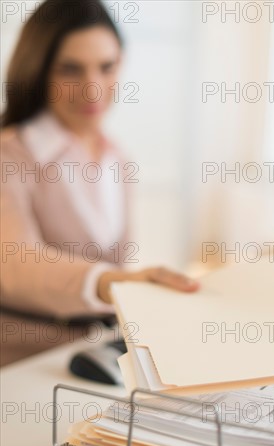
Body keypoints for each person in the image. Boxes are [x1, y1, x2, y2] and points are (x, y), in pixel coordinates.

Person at [0, 0, 199, 366]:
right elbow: (14, 261)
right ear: (39, 71)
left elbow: (116, 264)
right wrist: (111, 283)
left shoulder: (117, 158)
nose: (93, 89)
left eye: (106, 67)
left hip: (98, 358)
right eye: (70, 70)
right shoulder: (10, 155)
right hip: (24, 366)